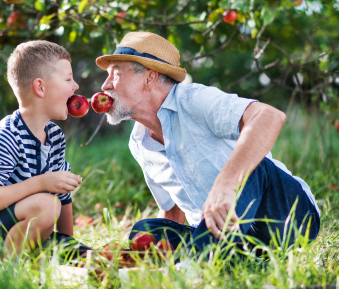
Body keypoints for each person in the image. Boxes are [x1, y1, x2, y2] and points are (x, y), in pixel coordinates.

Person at [95, 32, 320, 255]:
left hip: (287, 217)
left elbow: (270, 116)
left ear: (149, 78)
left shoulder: (193, 99)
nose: (105, 85)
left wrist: (226, 183)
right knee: (145, 232)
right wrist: (143, 250)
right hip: (228, 236)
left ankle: (196, 265)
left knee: (252, 168)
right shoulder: (139, 143)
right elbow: (174, 213)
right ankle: (215, 259)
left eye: (115, 74)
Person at [0, 40, 88, 256]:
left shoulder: (55, 136)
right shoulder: (6, 135)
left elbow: (63, 198)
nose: (75, 86)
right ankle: (7, 272)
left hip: (24, 227)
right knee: (47, 205)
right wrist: (42, 183)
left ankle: (31, 259)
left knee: (84, 255)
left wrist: (69, 246)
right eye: (68, 79)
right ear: (40, 87)